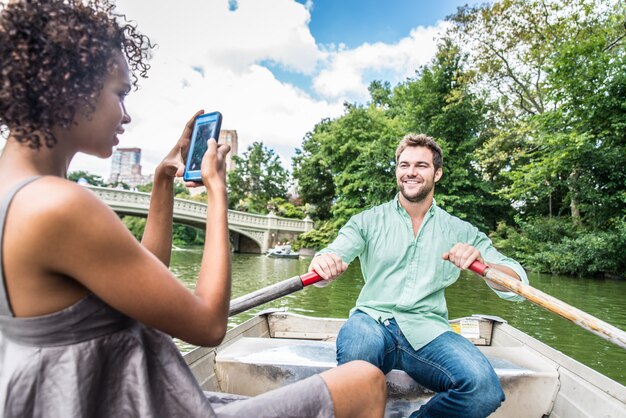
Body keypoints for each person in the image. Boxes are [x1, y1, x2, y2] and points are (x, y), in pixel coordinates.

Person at [0, 1, 386, 417]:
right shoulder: (60, 205)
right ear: (69, 85)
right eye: (121, 93)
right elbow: (208, 325)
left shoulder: (19, 195)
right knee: (365, 380)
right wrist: (218, 191)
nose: (126, 114)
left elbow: (143, 273)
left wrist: (162, 184)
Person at [309, 133, 529, 418]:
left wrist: (483, 265)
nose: (410, 172)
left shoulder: (460, 231)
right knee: (357, 355)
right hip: (372, 322)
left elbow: (516, 283)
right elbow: (325, 265)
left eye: (421, 166)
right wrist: (324, 264)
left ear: (437, 173)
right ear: (397, 170)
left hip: (429, 330)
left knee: (483, 389)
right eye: (404, 165)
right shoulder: (366, 221)